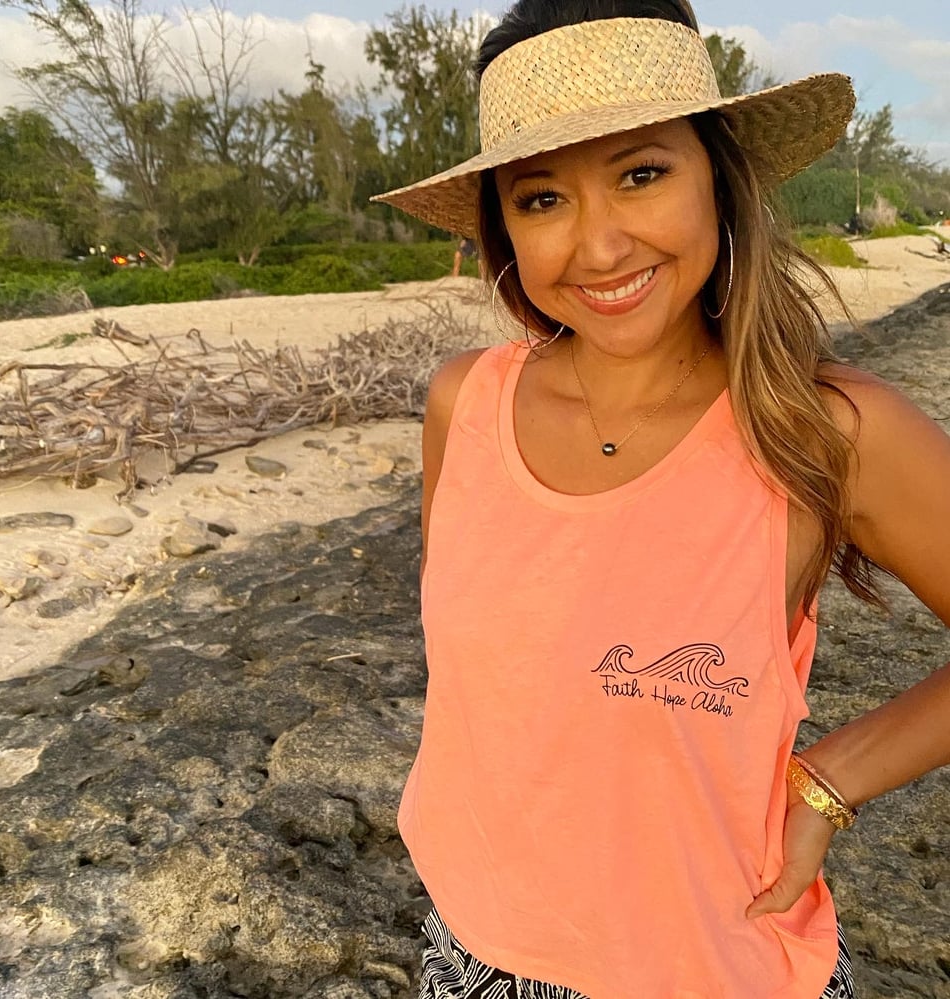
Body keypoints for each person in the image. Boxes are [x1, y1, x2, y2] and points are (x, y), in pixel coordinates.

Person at [373, 1, 950, 996]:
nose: (597, 248)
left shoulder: (828, 429)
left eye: (641, 175)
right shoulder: (462, 404)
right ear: (502, 228)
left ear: (718, 182)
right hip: (471, 952)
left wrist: (831, 780)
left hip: (715, 965)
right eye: (541, 199)